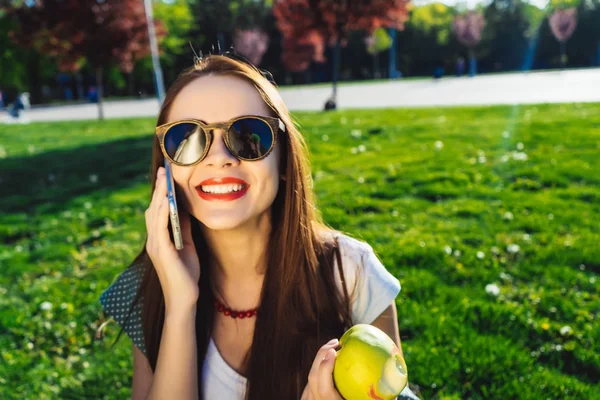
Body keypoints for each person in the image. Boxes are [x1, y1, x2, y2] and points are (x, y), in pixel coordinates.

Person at [99, 53, 420, 400]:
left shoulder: (353, 273)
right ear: (166, 166)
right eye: (187, 138)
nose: (218, 157)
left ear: (283, 159)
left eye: (248, 135)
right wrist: (179, 305)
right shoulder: (146, 285)